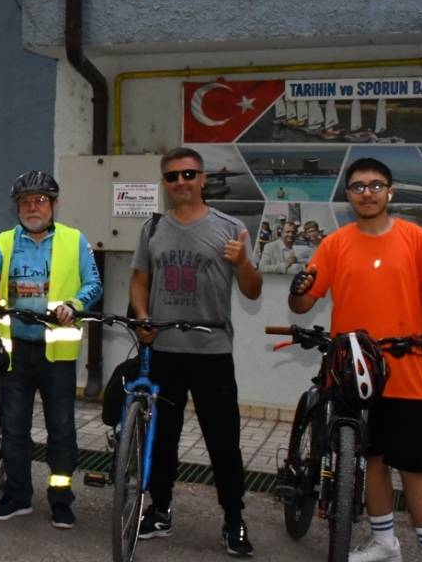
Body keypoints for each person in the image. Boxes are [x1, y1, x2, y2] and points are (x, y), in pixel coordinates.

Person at [289, 157, 422, 562]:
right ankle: (385, 543)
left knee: (416, 464)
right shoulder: (334, 243)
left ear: (390, 191)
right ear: (347, 194)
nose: (367, 193)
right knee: (370, 457)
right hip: (350, 368)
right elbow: (302, 305)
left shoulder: (415, 238)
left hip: (406, 368)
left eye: (375, 185)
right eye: (358, 186)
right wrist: (297, 290)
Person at [130, 147, 262, 558]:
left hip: (212, 351)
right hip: (166, 349)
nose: (181, 182)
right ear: (164, 184)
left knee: (224, 440)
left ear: (203, 179)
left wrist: (243, 264)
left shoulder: (230, 227)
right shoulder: (152, 229)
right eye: (172, 177)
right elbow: (139, 280)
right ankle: (161, 508)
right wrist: (143, 315)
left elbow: (253, 290)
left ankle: (234, 518)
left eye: (189, 174)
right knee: (163, 437)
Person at [0, 170, 102, 529]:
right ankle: (18, 495)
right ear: (17, 208)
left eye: (40, 200)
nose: (32, 206)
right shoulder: (5, 241)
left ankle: (61, 499)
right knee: (14, 429)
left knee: (62, 431)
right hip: (16, 353)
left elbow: (94, 285)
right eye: (25, 201)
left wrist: (74, 304)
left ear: (54, 205)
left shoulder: (75, 241)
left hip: (56, 354)